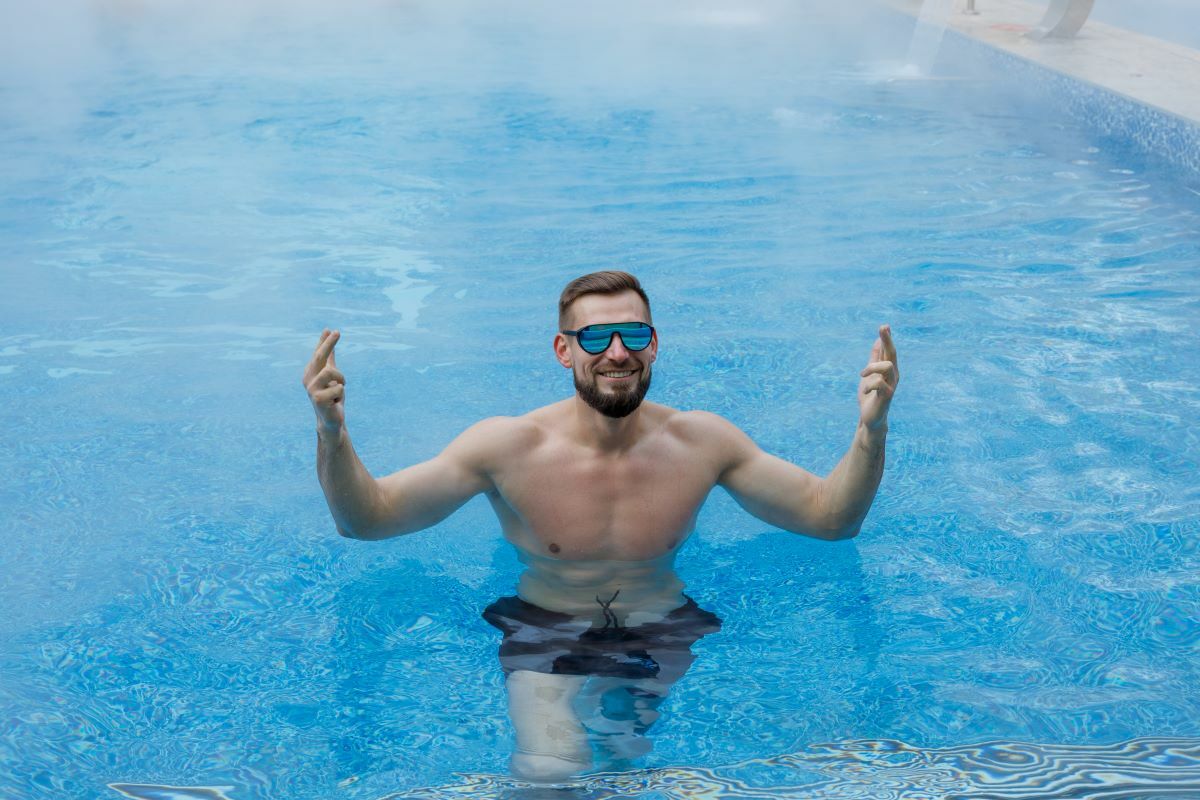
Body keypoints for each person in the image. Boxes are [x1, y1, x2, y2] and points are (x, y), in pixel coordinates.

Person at [302, 270, 898, 782]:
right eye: (595, 336)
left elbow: (830, 519)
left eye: (633, 334)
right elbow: (369, 521)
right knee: (549, 770)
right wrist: (333, 434)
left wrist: (870, 432)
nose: (617, 352)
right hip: (545, 629)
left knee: (623, 765)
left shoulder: (703, 442)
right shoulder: (506, 447)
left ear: (654, 345)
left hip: (661, 628)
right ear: (564, 351)